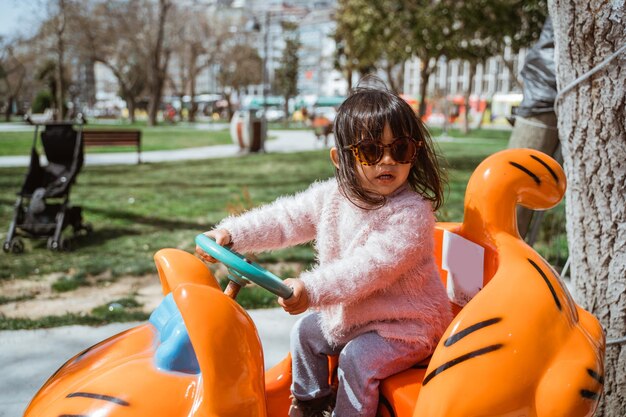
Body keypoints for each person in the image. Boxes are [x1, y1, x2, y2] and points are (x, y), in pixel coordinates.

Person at [196, 81, 452, 417]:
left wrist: (311, 288)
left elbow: (368, 268)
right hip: (358, 317)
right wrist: (233, 234)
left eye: (400, 149)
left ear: (413, 153)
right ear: (341, 157)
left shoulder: (411, 213)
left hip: (408, 327)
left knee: (356, 359)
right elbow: (285, 219)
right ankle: (309, 404)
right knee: (305, 332)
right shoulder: (332, 196)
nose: (387, 161)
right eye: (371, 151)